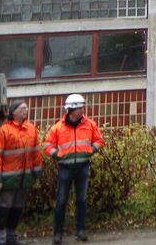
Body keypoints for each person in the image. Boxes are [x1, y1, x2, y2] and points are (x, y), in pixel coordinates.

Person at [44, 94, 104, 244]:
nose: (82, 110)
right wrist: (57, 155)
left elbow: (99, 140)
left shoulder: (90, 124)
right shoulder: (57, 127)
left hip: (83, 166)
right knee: (61, 201)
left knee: (81, 200)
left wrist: (92, 150)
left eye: (82, 107)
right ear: (71, 110)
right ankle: (57, 234)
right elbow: (47, 145)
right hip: (65, 168)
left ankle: (81, 231)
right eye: (79, 107)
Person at [0, 99, 42, 245]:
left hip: (24, 178)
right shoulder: (4, 131)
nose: (25, 111)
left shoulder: (31, 129)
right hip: (7, 178)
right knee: (4, 208)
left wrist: (37, 172)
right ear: (13, 112)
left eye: (26, 108)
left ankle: (11, 236)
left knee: (17, 208)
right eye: (22, 108)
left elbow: (36, 152)